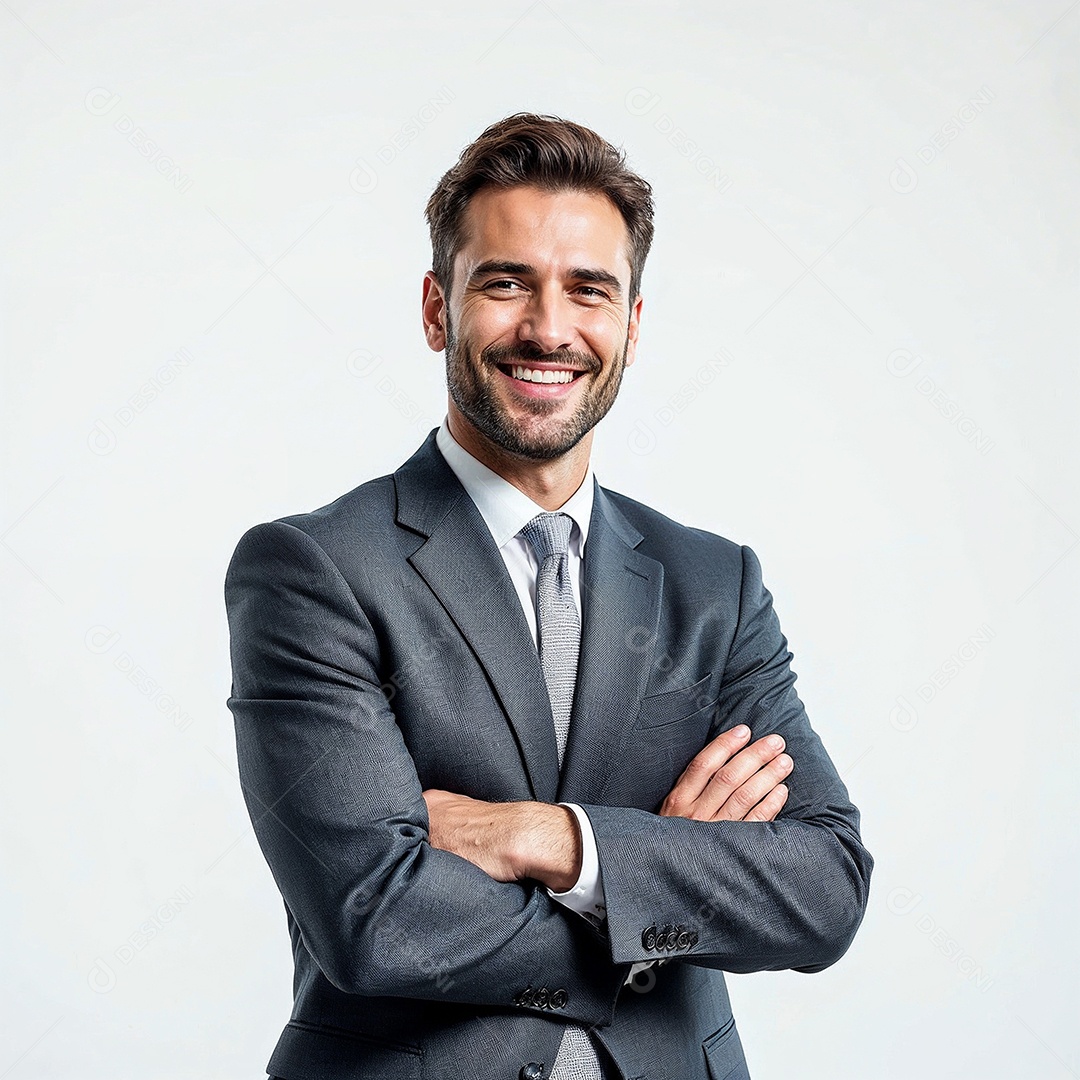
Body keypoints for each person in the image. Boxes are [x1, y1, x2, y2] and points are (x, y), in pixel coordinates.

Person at [225, 112, 873, 1080]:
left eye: (588, 290)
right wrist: (659, 886)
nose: (548, 328)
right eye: (506, 282)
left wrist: (551, 841)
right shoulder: (313, 572)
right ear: (438, 308)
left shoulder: (714, 587)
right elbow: (374, 919)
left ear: (633, 327)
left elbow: (824, 888)